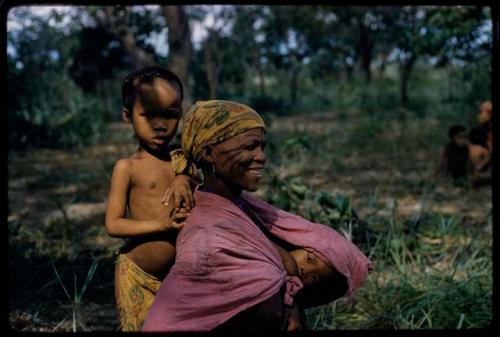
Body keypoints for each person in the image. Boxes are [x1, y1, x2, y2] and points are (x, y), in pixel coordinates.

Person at [142, 100, 372, 332]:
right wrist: (287, 302)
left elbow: (335, 251)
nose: (261, 156)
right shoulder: (210, 233)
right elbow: (266, 305)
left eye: (262, 146)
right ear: (209, 153)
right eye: (249, 147)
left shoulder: (240, 204)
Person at [105, 66, 195, 331]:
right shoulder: (127, 167)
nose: (160, 125)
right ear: (127, 116)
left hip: (181, 275)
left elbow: (202, 186)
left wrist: (184, 178)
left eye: (170, 115)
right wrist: (162, 225)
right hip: (138, 275)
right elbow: (114, 225)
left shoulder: (181, 158)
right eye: (149, 115)